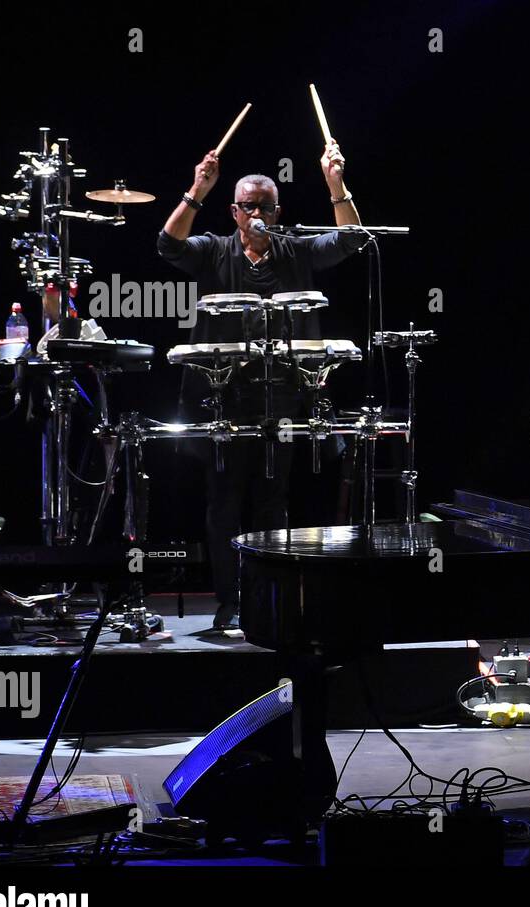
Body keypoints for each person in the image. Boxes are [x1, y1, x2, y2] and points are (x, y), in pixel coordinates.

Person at [158, 141, 364, 629]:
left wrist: (336, 183)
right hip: (222, 398)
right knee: (223, 501)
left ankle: (270, 599)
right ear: (233, 211)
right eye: (247, 206)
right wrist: (196, 189)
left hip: (284, 396)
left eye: (263, 206)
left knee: (273, 501)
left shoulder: (295, 250)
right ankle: (228, 601)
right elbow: (168, 245)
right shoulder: (214, 250)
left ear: (277, 211)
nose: (254, 213)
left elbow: (352, 239)